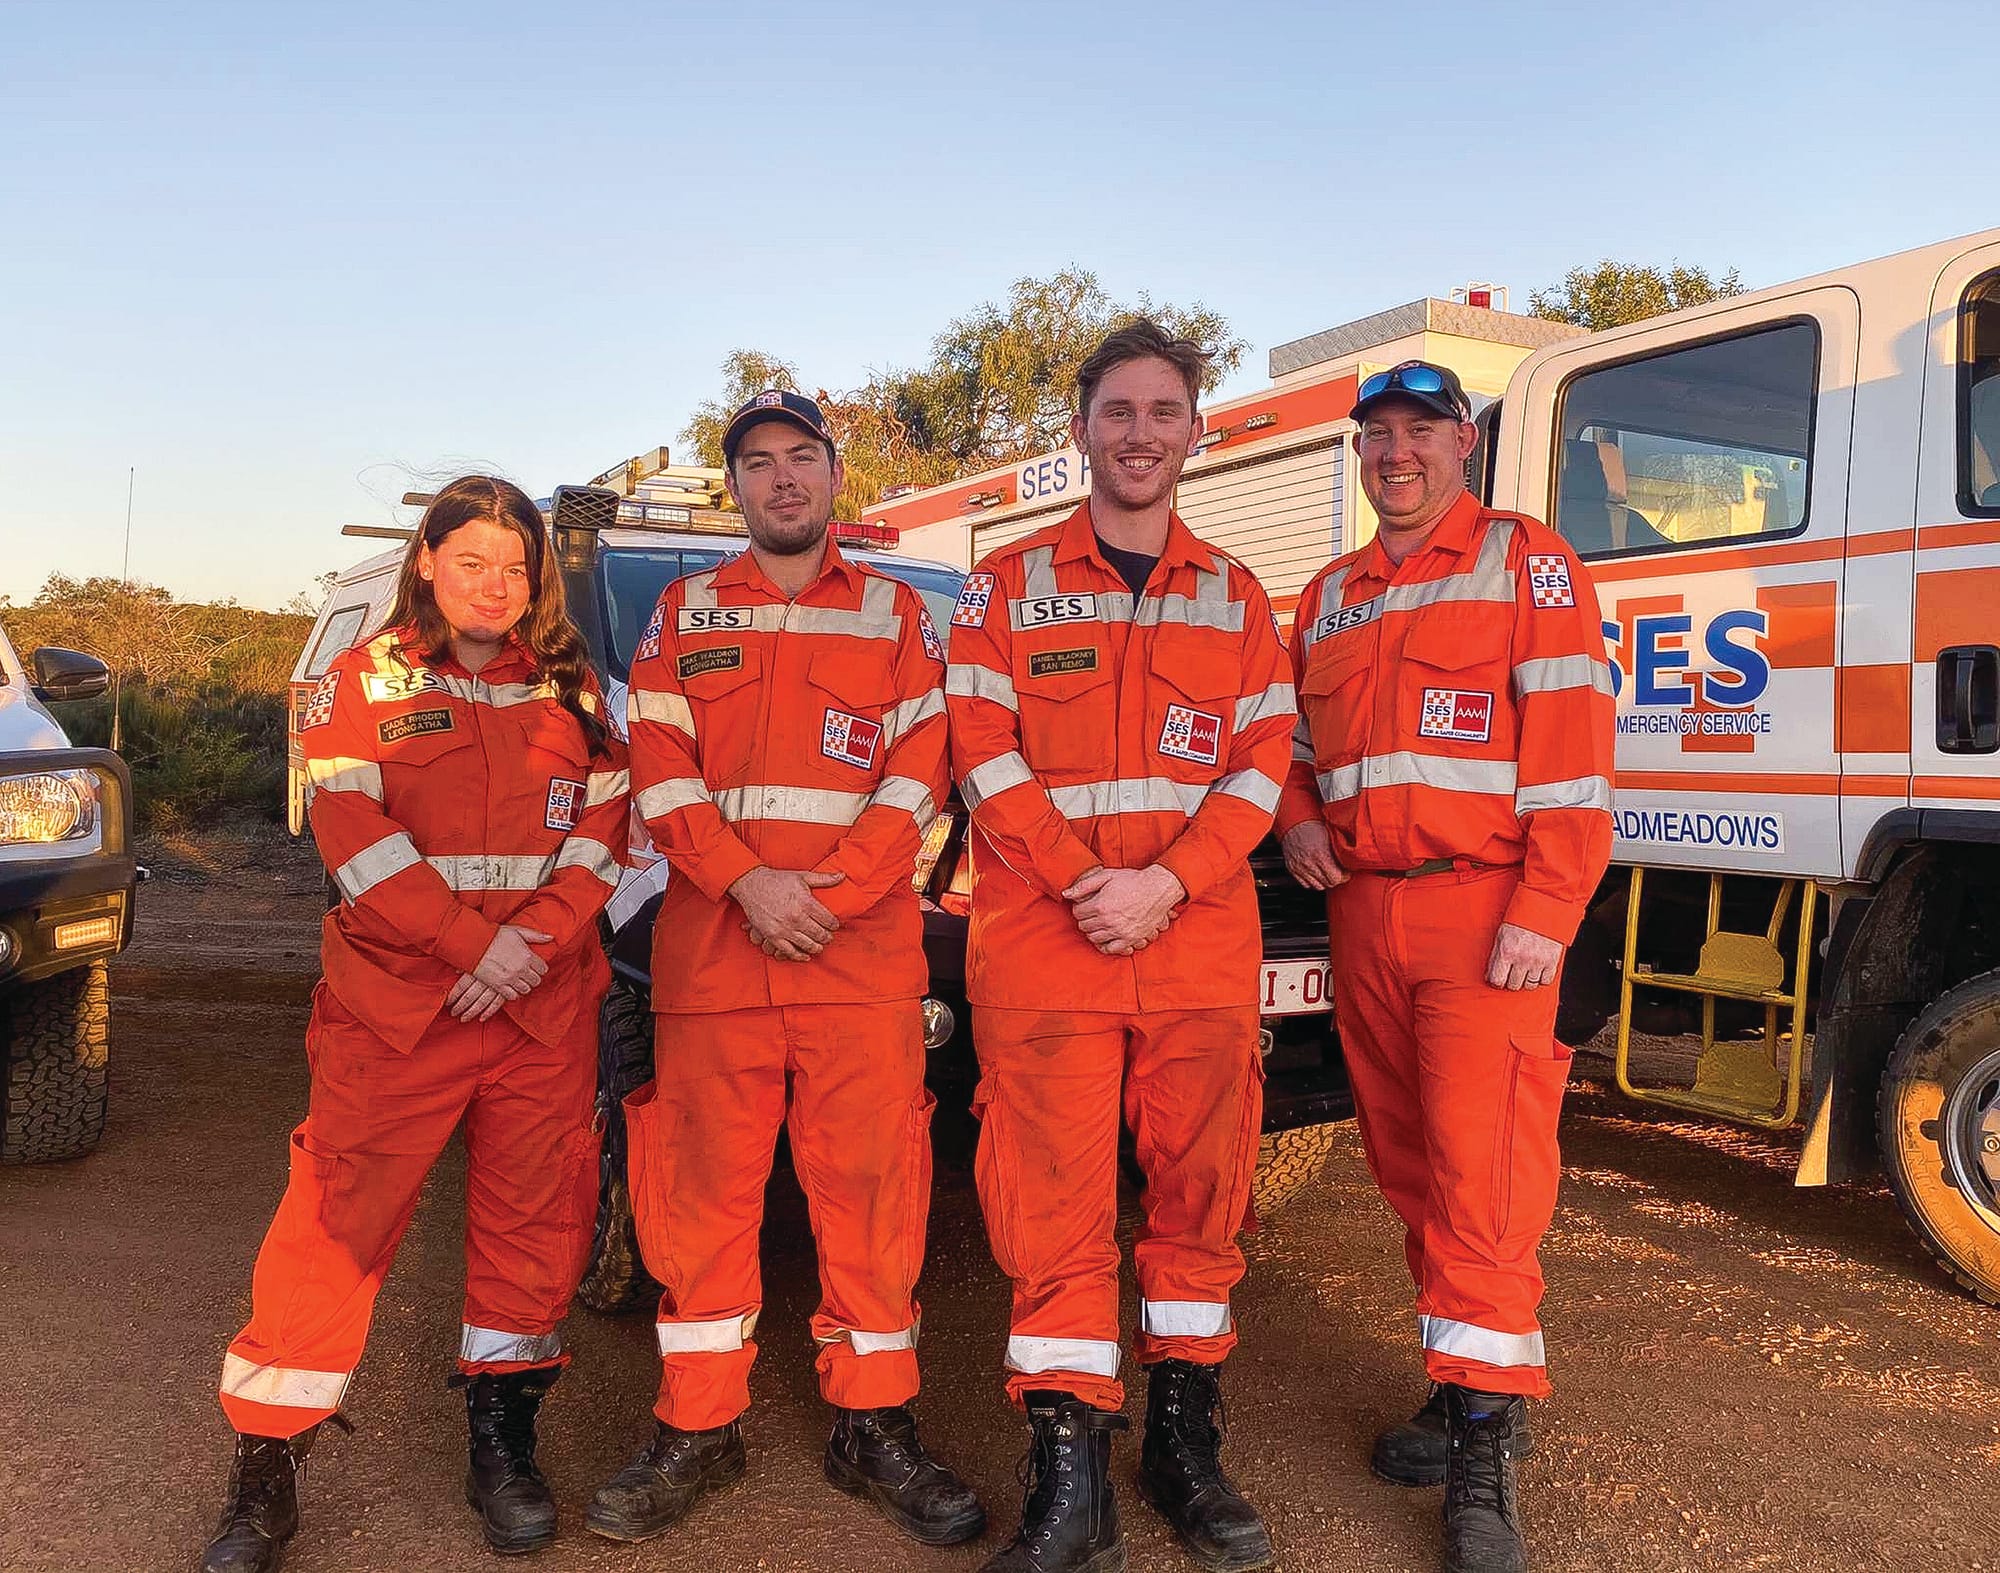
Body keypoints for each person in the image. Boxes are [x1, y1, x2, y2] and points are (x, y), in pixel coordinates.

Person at [200, 476, 629, 1571]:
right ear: (427, 561)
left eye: (516, 566)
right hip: (399, 1008)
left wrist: (523, 945)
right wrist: (467, 945)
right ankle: (267, 1462)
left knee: (535, 1226)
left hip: (537, 1006)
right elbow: (352, 831)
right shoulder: (362, 679)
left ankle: (503, 1440)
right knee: (331, 1227)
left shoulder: (576, 687)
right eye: (471, 559)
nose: (495, 584)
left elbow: (604, 829)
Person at [593, 390, 981, 1551]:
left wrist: (837, 891)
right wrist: (748, 883)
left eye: (798, 458)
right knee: (701, 1196)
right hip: (715, 954)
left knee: (868, 1194)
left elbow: (923, 767)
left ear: (831, 473)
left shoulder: (895, 615)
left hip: (855, 961)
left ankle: (874, 1423)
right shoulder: (682, 610)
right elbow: (656, 766)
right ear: (738, 487)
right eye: (756, 463)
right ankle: (696, 1424)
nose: (780, 480)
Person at [945, 322, 1294, 1573]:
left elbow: (1263, 767)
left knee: (1200, 1201)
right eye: (1117, 411)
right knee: (1052, 1214)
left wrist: (1167, 883)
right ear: (1081, 431)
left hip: (1193, 947)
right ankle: (1068, 1477)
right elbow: (981, 754)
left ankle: (1183, 1448)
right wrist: (1093, 881)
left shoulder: (1236, 595)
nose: (1139, 431)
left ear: (1194, 430)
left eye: (1162, 410)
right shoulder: (1005, 585)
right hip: (1047, 944)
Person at [1275, 361, 1615, 1573]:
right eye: (1375, 434)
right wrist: (1297, 815)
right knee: (1412, 1170)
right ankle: (1463, 1377)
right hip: (1366, 918)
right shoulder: (1327, 595)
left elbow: (1573, 756)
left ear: (1462, 443)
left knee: (1485, 1177)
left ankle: (1481, 1449)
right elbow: (1287, 742)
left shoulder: (1525, 562)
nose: (1395, 452)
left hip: (1487, 923)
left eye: (1419, 430)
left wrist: (1547, 906)